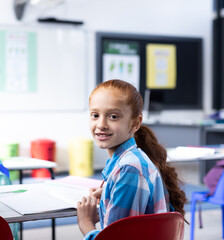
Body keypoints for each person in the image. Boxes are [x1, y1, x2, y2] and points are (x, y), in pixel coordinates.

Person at [77, 79, 187, 239]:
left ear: (135, 123)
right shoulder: (133, 160)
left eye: (113, 116)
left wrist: (86, 224)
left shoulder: (129, 169)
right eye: (95, 115)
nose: (101, 124)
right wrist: (110, 193)